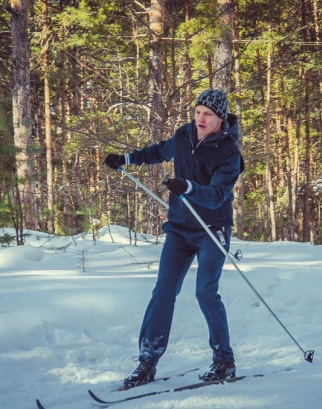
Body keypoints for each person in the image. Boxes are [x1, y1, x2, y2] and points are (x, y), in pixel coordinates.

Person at [104, 89, 244, 386]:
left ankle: (224, 361)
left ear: (221, 119)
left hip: (212, 230)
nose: (201, 118)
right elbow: (158, 151)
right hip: (180, 228)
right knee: (164, 290)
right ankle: (147, 361)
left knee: (205, 293)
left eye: (208, 114)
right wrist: (125, 159)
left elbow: (218, 196)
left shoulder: (230, 153)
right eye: (198, 112)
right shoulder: (184, 135)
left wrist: (188, 187)